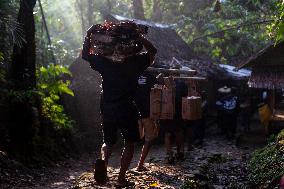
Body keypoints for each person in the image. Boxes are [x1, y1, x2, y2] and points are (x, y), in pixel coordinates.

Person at [82, 23, 157, 187]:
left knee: (108, 142)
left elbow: (85, 55)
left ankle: (103, 166)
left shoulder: (104, 62)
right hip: (127, 108)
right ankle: (121, 179)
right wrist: (141, 38)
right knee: (130, 143)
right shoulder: (136, 62)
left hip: (107, 106)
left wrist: (88, 34)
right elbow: (153, 52)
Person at [135, 71, 159, 171]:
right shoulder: (151, 77)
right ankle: (140, 165)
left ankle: (129, 166)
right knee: (149, 139)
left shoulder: (131, 75)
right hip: (147, 112)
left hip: (134, 112)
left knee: (131, 140)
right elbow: (158, 90)